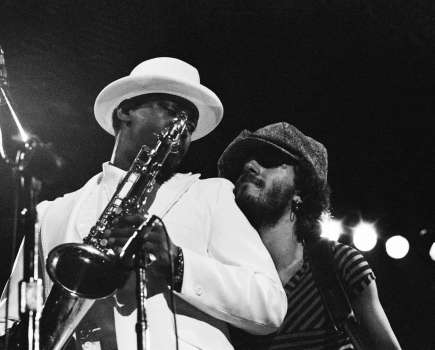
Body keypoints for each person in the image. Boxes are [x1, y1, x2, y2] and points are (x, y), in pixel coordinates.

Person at [0, 58, 287, 350]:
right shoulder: (51, 214)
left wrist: (177, 262)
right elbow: (8, 321)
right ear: (125, 111)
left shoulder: (210, 194)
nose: (182, 129)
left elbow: (269, 305)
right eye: (172, 111)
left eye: (190, 123)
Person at [218, 122, 402, 349]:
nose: (250, 165)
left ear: (301, 192)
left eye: (269, 160)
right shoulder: (227, 278)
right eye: (242, 166)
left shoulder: (337, 264)